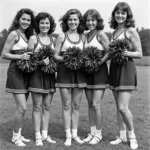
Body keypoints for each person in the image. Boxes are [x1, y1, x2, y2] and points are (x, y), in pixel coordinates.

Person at [109, 2, 142, 149]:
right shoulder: (114, 31)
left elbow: (139, 53)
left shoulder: (131, 31)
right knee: (118, 107)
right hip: (115, 70)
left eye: (123, 13)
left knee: (123, 107)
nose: (120, 15)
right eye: (117, 12)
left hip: (126, 70)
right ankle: (121, 136)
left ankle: (132, 136)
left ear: (127, 15)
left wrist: (127, 53)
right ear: (114, 14)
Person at [1, 8, 34, 146]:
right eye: (24, 19)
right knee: (23, 107)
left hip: (27, 73)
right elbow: (4, 54)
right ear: (18, 19)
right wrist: (19, 56)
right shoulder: (14, 34)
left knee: (21, 108)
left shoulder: (27, 35)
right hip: (16, 72)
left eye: (28, 20)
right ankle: (15, 137)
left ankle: (18, 134)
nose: (26, 22)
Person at [54, 9, 86, 146]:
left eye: (75, 19)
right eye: (70, 20)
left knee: (76, 105)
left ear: (79, 21)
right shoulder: (61, 37)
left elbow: (85, 55)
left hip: (80, 74)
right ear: (66, 21)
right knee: (66, 105)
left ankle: (75, 134)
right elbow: (55, 56)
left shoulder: (83, 37)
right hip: (64, 73)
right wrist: (67, 59)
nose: (73, 22)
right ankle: (68, 135)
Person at [28, 12, 56, 146]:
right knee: (37, 107)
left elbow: (55, 59)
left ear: (50, 25)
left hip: (49, 77)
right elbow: (28, 61)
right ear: (37, 25)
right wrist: (40, 63)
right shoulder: (33, 39)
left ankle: (45, 135)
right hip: (36, 77)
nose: (45, 25)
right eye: (42, 23)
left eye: (47, 23)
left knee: (47, 107)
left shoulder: (53, 40)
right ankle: (37, 136)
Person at [82, 9, 110, 145]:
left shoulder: (101, 34)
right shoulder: (85, 35)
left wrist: (99, 62)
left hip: (99, 73)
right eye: (88, 20)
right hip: (87, 73)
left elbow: (110, 52)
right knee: (89, 104)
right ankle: (92, 132)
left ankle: (98, 134)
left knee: (96, 104)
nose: (90, 23)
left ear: (98, 21)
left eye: (93, 20)